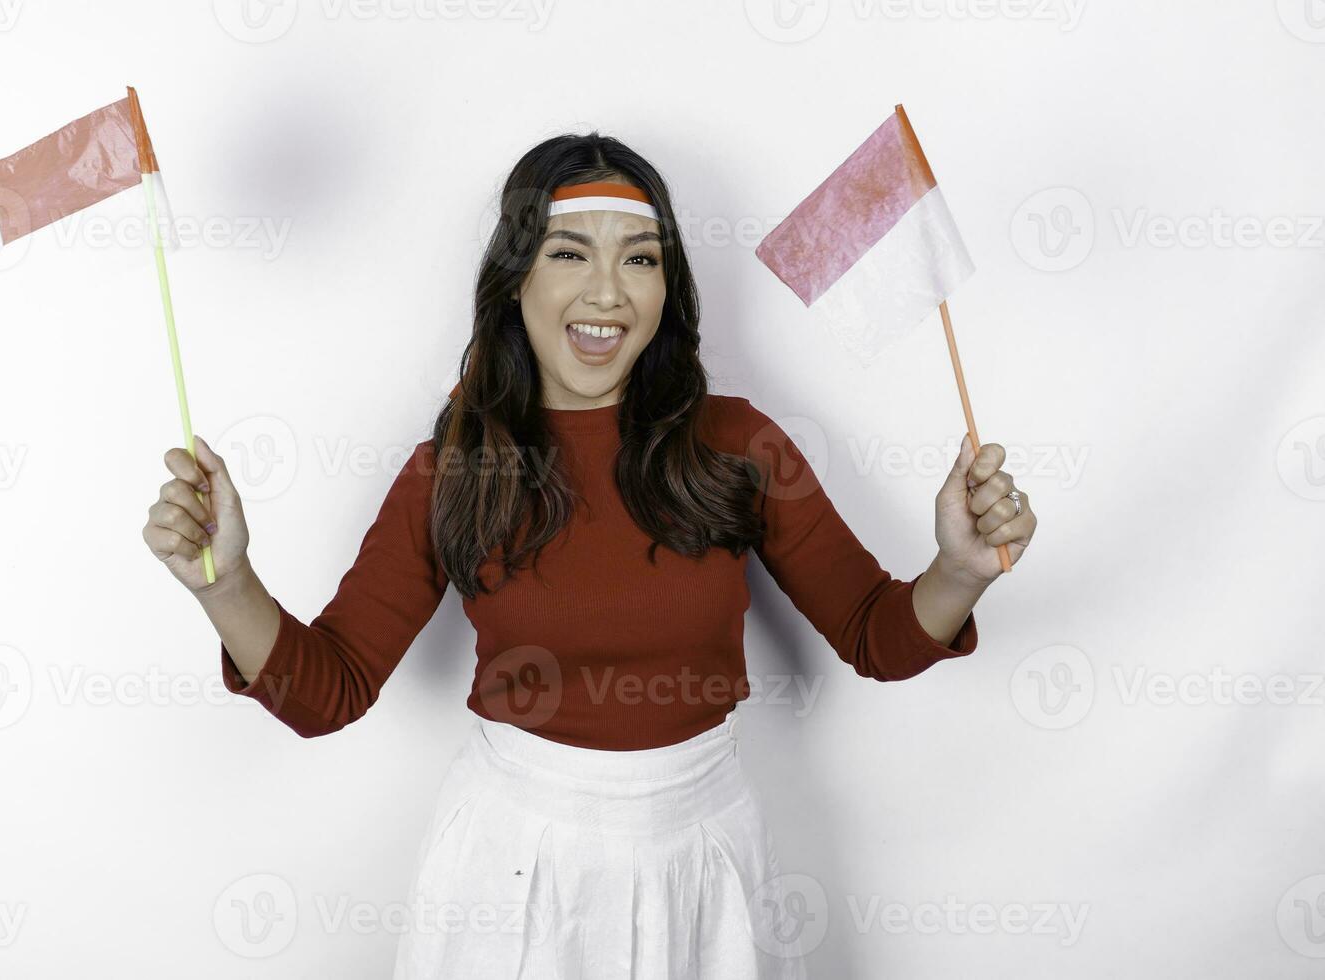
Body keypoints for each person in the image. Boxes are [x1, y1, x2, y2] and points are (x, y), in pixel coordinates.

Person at [141, 132, 1037, 978]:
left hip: (707, 859)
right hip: (511, 868)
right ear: (515, 277)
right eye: (570, 252)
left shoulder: (741, 443)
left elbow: (875, 636)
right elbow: (323, 692)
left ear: (667, 285)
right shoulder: (456, 464)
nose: (608, 292)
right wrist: (227, 581)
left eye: (640, 258)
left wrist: (959, 570)